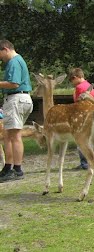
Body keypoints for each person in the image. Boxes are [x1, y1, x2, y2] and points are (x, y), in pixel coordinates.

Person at [0, 40, 33, 182]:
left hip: (16, 99)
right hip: (19, 99)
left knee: (14, 135)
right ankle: (8, 167)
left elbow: (14, 83)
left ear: (5, 49)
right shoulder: (16, 61)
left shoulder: (14, 61)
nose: (0, 58)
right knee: (8, 135)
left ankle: (17, 170)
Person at [69, 68, 94, 170]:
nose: (73, 83)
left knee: (81, 141)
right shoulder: (90, 87)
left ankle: (84, 163)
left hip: (83, 116)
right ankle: (91, 161)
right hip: (93, 115)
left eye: (72, 81)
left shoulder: (79, 87)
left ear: (75, 77)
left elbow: (77, 104)